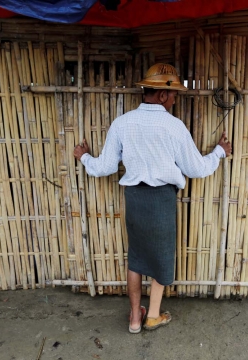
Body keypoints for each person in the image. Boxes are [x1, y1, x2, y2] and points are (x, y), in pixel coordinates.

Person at [74, 63, 232, 333]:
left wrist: (83, 157)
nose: (173, 100)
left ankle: (135, 317)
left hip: (134, 199)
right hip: (161, 200)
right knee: (160, 257)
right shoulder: (174, 127)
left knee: (135, 258)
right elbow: (195, 169)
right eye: (173, 96)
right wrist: (218, 152)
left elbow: (105, 167)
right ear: (161, 95)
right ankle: (153, 315)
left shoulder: (122, 123)